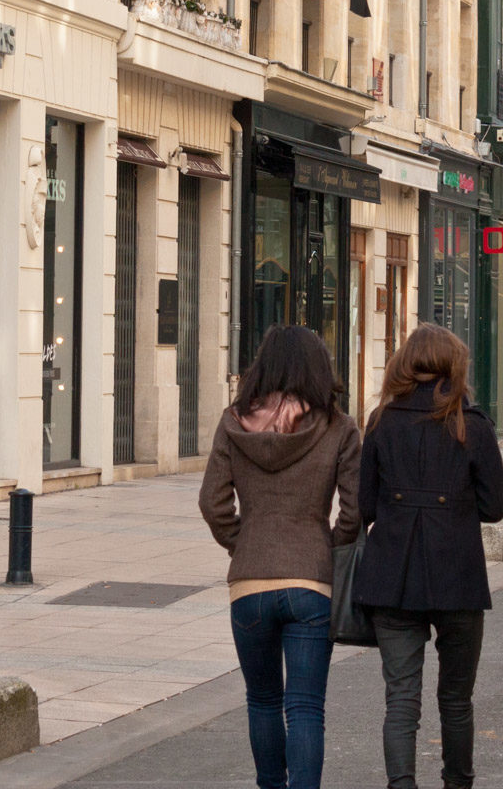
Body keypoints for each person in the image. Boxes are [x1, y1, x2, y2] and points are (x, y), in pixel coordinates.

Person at [199, 326, 361, 789]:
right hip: (311, 583)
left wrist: (243, 541)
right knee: (306, 706)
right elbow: (355, 510)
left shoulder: (233, 423)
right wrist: (325, 546)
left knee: (263, 700)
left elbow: (212, 504)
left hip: (248, 583)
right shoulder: (339, 427)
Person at [353, 324, 503, 789]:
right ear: (454, 366)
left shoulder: (381, 420)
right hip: (457, 575)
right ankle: (457, 783)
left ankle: (401, 784)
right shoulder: (472, 425)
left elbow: (362, 506)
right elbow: (494, 508)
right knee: (456, 699)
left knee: (400, 698)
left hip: (392, 576)